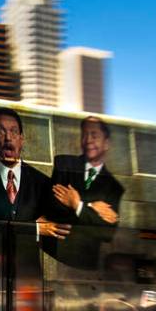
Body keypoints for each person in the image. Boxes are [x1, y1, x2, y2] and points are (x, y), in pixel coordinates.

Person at [0, 107, 70, 240]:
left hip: (28, 261)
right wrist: (35, 228)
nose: (8, 138)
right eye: (1, 131)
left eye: (13, 132)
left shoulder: (41, 182)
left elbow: (55, 229)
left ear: (21, 139)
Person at [50, 115, 125, 269]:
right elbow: (54, 207)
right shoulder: (63, 163)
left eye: (94, 135)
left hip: (86, 266)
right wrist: (92, 206)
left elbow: (107, 233)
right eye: (84, 135)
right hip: (54, 258)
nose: (88, 140)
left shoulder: (114, 187)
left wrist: (78, 204)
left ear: (106, 143)